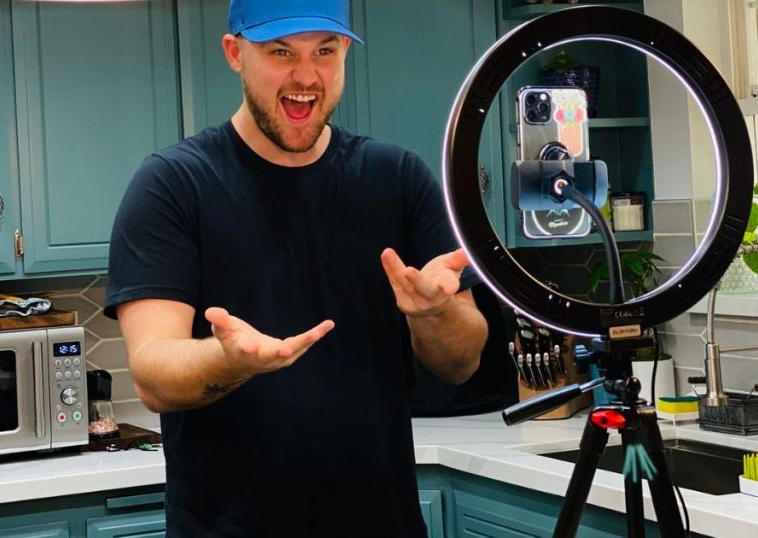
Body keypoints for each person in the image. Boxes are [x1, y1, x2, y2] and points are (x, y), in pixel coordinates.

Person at [103, 1, 489, 535]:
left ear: (346, 52)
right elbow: (152, 374)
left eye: (325, 51)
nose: (306, 76)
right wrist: (231, 360)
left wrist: (434, 314)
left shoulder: (398, 178)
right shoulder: (173, 186)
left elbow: (462, 362)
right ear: (235, 53)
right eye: (280, 51)